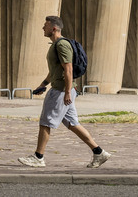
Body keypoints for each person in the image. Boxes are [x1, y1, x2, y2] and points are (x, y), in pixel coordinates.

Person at [17, 16, 111, 169]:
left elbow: (68, 69)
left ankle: (38, 157)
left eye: (45, 25)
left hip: (61, 91)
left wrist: (67, 92)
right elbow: (55, 70)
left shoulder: (62, 45)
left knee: (45, 122)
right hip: (63, 89)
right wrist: (43, 85)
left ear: (54, 28)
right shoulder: (55, 45)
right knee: (73, 124)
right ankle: (99, 152)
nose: (43, 28)